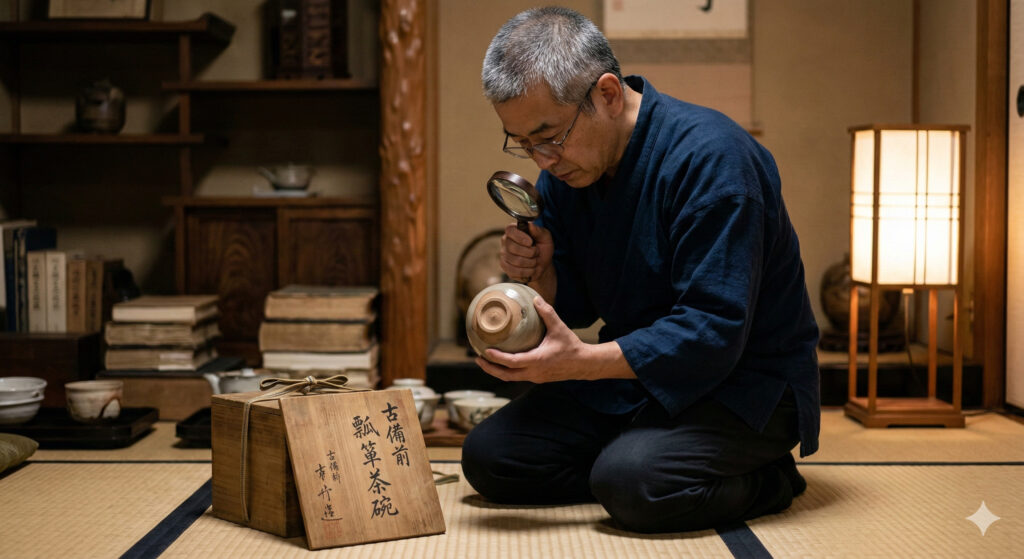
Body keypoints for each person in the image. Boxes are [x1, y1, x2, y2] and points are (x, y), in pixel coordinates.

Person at [461, 6, 821, 533]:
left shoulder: (713, 160)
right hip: (637, 379)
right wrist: (541, 274)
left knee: (633, 483)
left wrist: (578, 363)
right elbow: (579, 304)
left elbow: (711, 333)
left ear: (606, 94)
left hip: (746, 385)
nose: (542, 160)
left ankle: (766, 478)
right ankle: (641, 462)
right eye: (523, 143)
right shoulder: (569, 170)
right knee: (491, 457)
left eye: (549, 136)